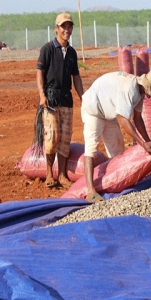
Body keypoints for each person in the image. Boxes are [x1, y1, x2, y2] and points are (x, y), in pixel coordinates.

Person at [81, 69, 151, 203]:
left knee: (117, 151)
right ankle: (91, 191)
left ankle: (113, 185)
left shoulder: (140, 92)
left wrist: (148, 140)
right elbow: (123, 120)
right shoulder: (129, 89)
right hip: (93, 109)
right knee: (91, 147)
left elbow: (138, 119)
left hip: (108, 111)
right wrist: (142, 143)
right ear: (147, 86)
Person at [35, 12, 83, 189]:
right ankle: (49, 174)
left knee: (65, 138)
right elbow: (39, 72)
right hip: (51, 98)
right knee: (52, 136)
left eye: (69, 26)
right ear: (56, 28)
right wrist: (42, 94)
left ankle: (62, 175)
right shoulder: (47, 49)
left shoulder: (71, 52)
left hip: (66, 98)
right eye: (64, 26)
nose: (67, 30)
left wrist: (82, 97)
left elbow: (76, 76)